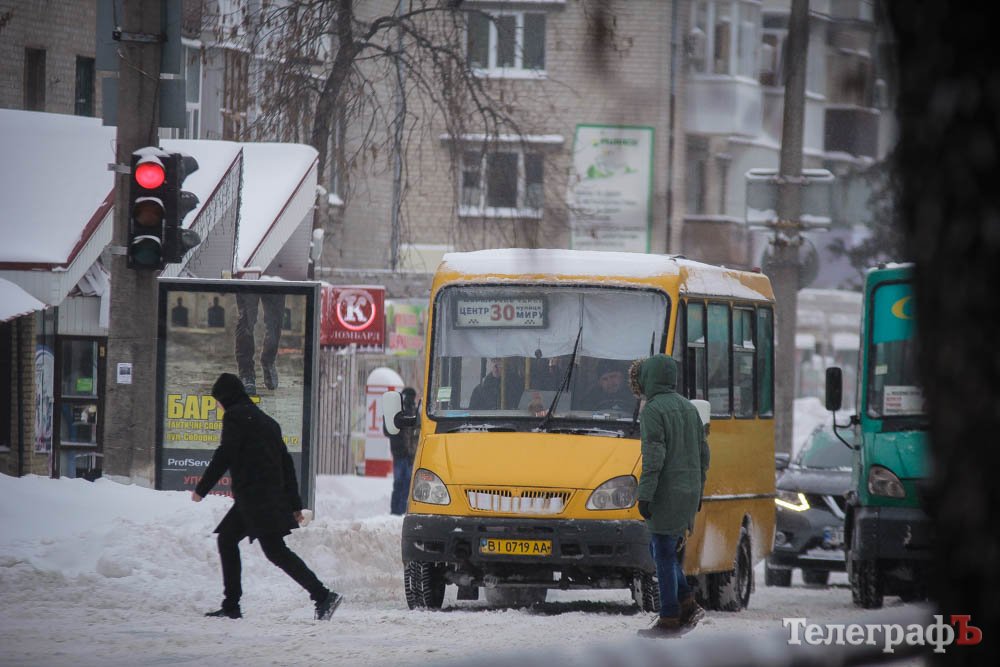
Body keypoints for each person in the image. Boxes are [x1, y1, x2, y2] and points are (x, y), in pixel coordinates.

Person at [192, 373, 341, 621]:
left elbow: (225, 453)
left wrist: (202, 488)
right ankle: (232, 605)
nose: (218, 406)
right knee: (234, 541)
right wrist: (294, 504)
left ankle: (323, 595)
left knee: (271, 550)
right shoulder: (267, 421)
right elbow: (287, 464)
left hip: (256, 499)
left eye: (218, 400)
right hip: (266, 497)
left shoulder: (235, 416)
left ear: (225, 397)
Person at [631, 355, 709, 638]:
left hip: (666, 490)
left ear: (648, 378)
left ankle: (669, 617)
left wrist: (645, 494)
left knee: (662, 552)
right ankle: (686, 602)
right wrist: (698, 489)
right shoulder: (689, 408)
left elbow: (653, 458)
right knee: (661, 549)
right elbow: (704, 454)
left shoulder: (652, 410)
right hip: (689, 489)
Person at [234, 291, 286, 395]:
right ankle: (246, 374)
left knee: (275, 321)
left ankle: (268, 360)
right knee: (246, 320)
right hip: (248, 282)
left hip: (274, 282)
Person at [384, 387, 419, 515]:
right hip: (405, 454)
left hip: (403, 454)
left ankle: (398, 512)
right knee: (403, 484)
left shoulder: (406, 410)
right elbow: (389, 430)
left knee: (402, 484)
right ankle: (398, 512)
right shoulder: (406, 411)